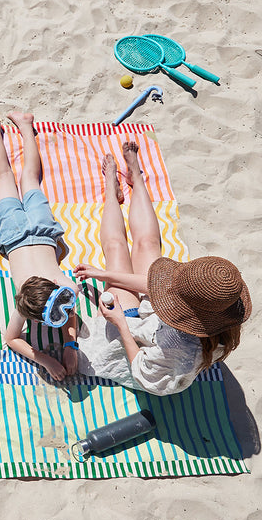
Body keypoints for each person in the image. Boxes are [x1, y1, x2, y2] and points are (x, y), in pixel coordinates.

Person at [73, 141, 251, 395]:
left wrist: (121, 323)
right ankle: (136, 177)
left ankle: (111, 191)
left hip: (137, 333)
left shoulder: (179, 349)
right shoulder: (222, 312)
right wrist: (103, 275)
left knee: (115, 248)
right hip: (158, 317)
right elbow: (165, 289)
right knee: (146, 244)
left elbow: (145, 373)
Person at [0, 110, 79, 382]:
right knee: (15, 178)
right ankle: (3, 124)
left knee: (18, 178)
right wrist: (49, 357)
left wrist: (66, 348)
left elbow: (12, 338)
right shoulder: (47, 296)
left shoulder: (62, 289)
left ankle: (13, 125)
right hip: (18, 234)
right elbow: (11, 338)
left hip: (38, 231)